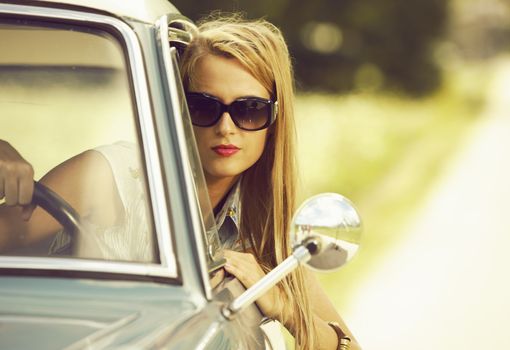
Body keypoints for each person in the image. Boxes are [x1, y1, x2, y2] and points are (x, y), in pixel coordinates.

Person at [0, 14, 359, 349]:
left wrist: (283, 306)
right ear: (179, 108)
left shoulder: (262, 226)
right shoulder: (113, 174)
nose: (226, 127)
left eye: (249, 110)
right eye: (205, 107)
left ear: (274, 118)